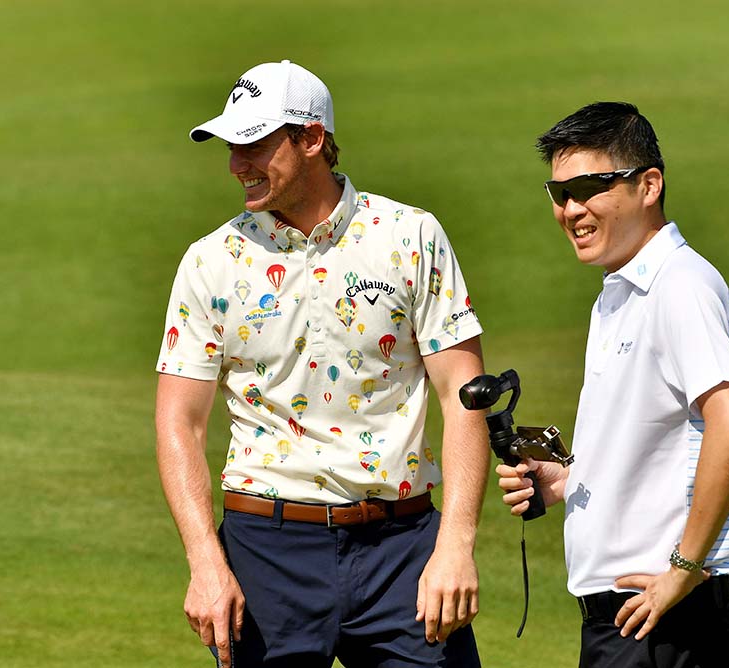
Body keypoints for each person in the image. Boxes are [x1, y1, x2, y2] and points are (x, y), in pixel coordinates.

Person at [155, 59, 487, 668]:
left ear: (312, 138)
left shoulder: (411, 235)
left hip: (403, 549)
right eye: (231, 146)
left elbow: (464, 396)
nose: (236, 165)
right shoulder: (209, 262)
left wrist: (456, 545)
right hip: (266, 553)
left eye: (253, 144)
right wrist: (205, 560)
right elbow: (181, 422)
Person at [497, 102, 729, 668]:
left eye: (590, 187)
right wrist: (568, 480)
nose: (571, 209)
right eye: (559, 193)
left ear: (649, 185)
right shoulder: (621, 293)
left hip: (660, 615)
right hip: (634, 617)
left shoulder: (679, 285)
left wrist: (683, 569)